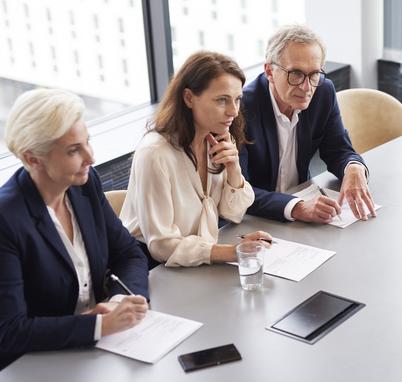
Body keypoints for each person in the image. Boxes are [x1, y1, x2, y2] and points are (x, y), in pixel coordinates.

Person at [0, 89, 149, 370]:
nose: (91, 157)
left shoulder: (83, 184)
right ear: (33, 159)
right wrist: (96, 325)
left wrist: (119, 302)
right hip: (36, 367)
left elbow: (129, 254)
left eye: (87, 142)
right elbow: (9, 331)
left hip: (101, 351)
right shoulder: (7, 219)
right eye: (73, 150)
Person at [120, 51, 270, 267]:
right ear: (189, 98)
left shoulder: (217, 137)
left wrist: (234, 168)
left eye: (237, 100)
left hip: (197, 260)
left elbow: (234, 213)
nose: (233, 112)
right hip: (152, 268)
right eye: (222, 100)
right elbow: (161, 246)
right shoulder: (154, 154)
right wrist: (232, 252)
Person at [239, 24, 377, 223]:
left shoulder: (323, 92)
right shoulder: (241, 108)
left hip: (303, 212)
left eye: (314, 74)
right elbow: (238, 191)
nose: (306, 87)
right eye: (295, 74)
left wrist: (353, 167)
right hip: (254, 221)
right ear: (269, 71)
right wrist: (297, 207)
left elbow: (338, 149)